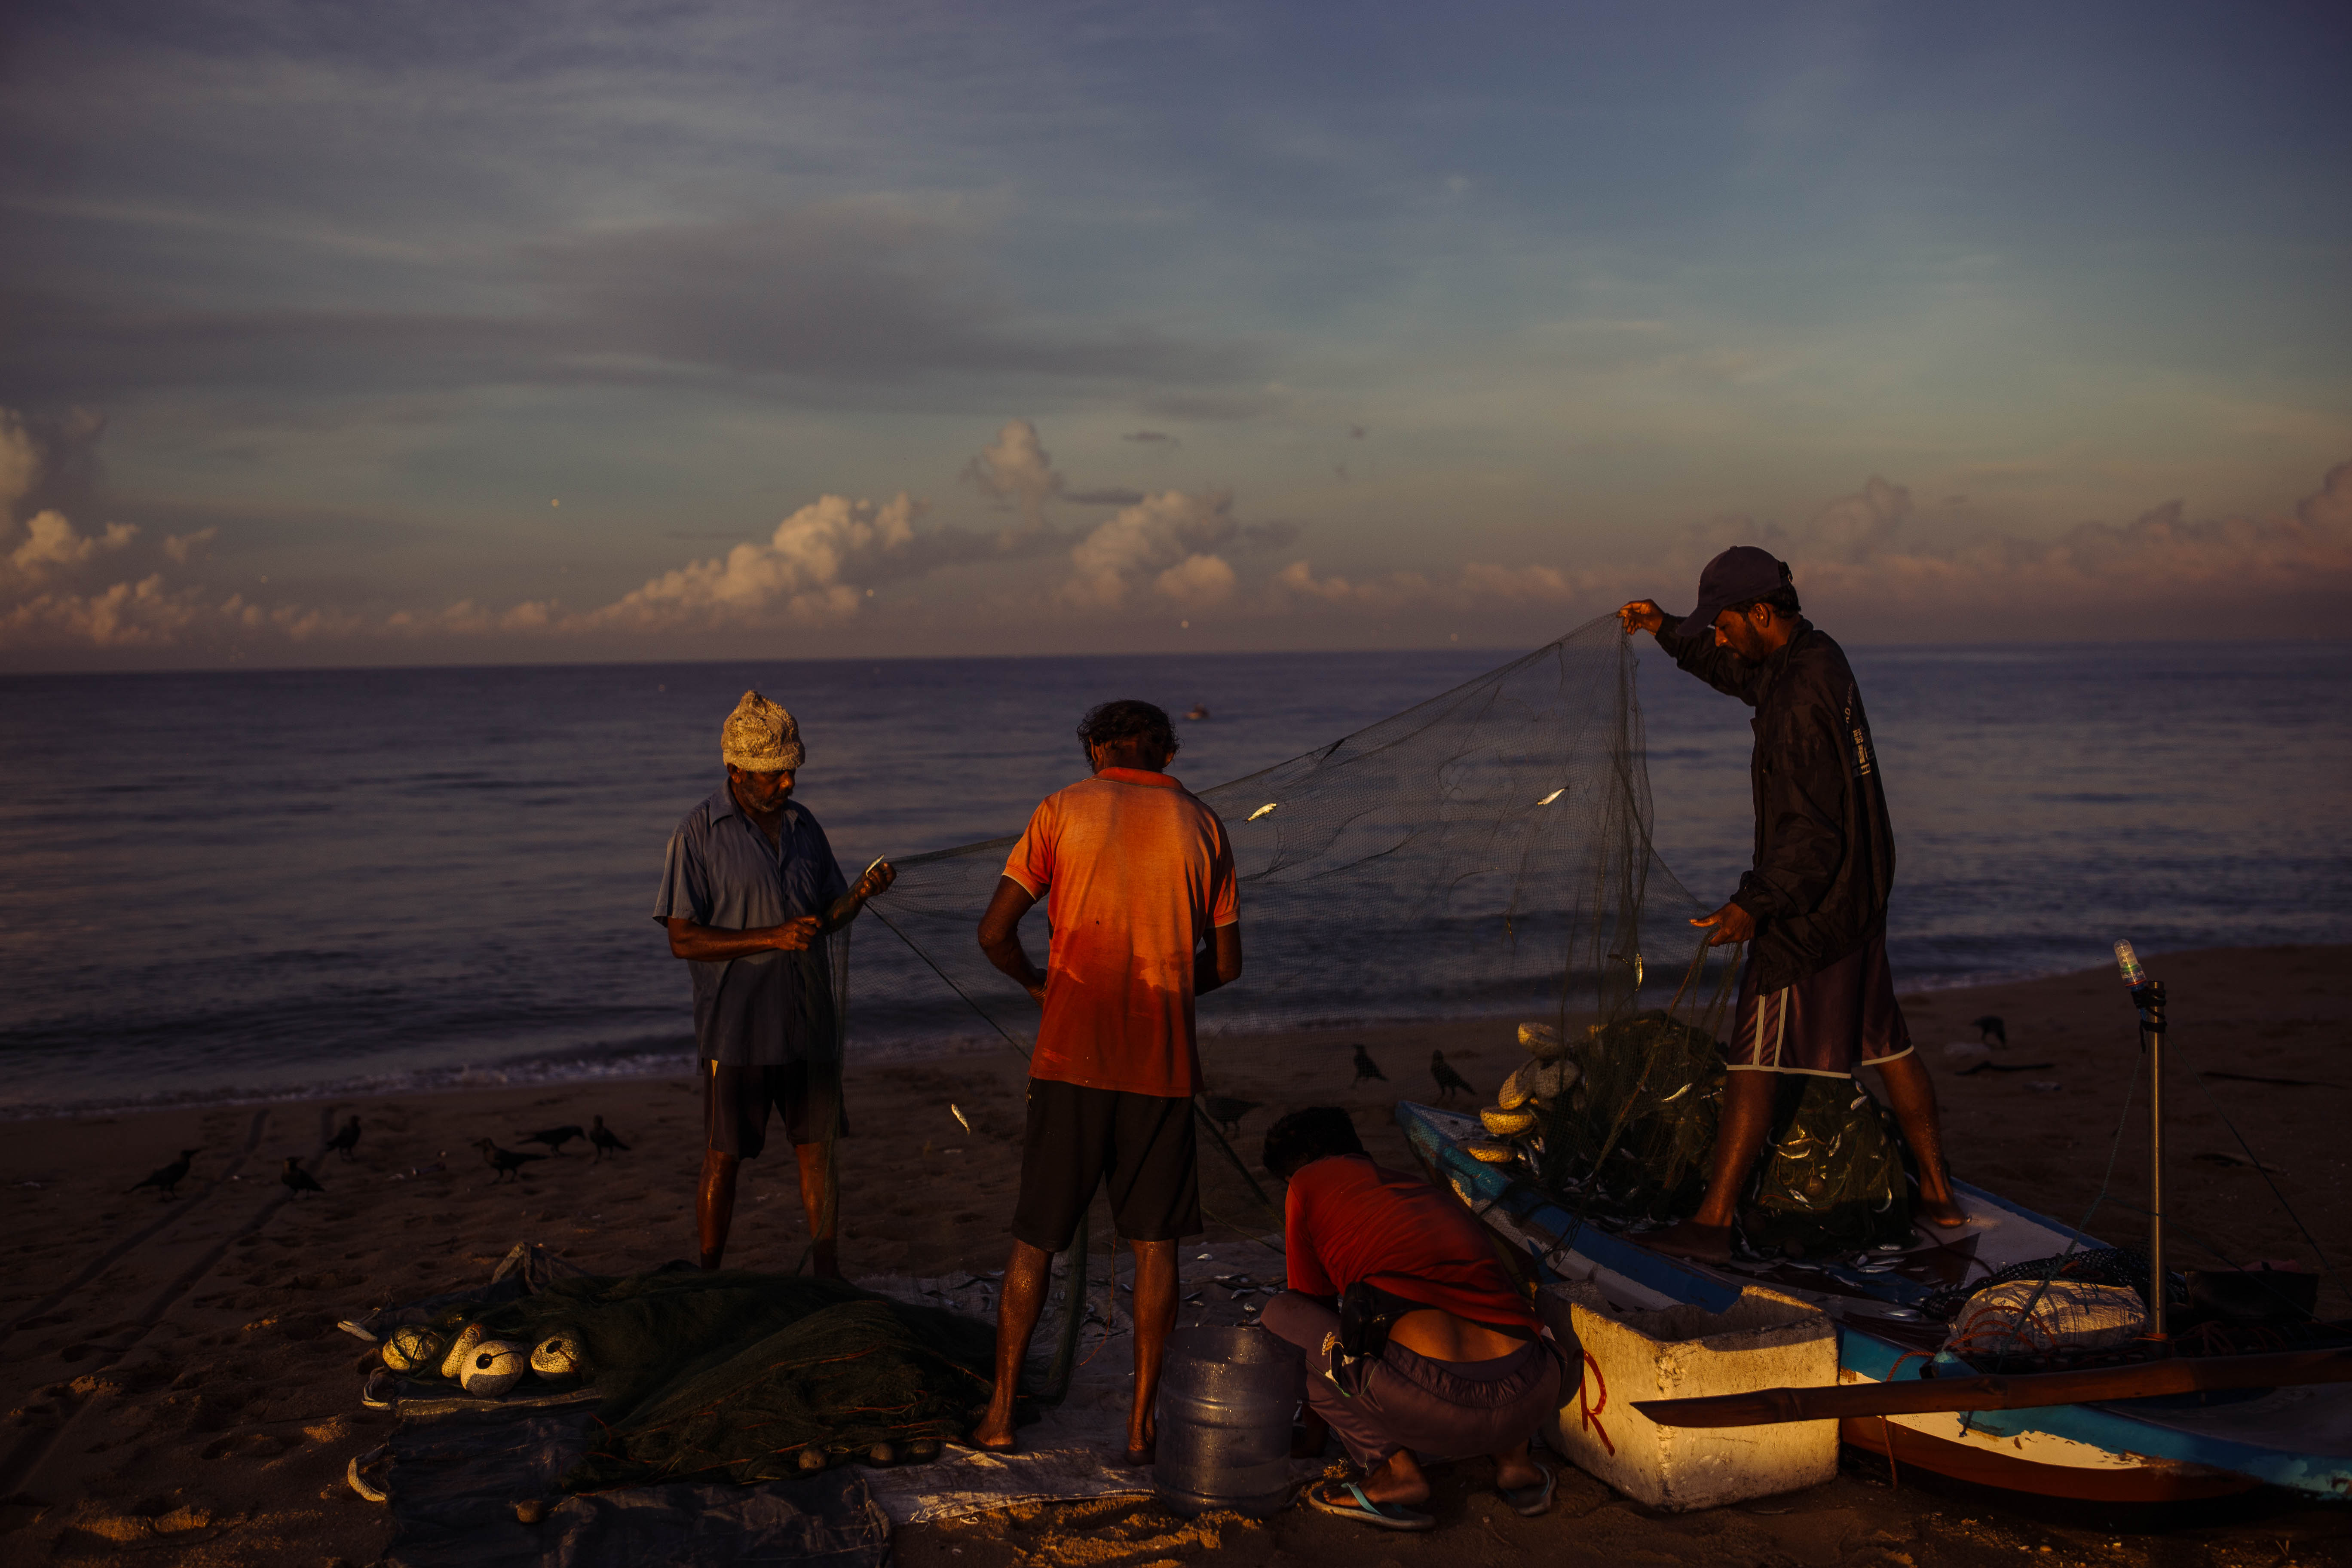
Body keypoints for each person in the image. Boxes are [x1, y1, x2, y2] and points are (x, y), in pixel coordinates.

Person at [1618, 548, 1963, 1260]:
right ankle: (1939, 1194)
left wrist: (1756, 903)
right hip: (1860, 893)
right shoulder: (1812, 655)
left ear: (1762, 614)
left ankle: (1712, 1223)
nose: (1718, 635)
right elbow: (1736, 669)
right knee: (1885, 1042)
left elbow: (1810, 826)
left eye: (1724, 623)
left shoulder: (1799, 699)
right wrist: (1667, 629)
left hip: (1811, 912)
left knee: (1754, 1055)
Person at [967, 699, 1243, 1465]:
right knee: (1157, 1247)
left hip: (1070, 1060)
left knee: (1035, 1240)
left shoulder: (1061, 810)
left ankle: (998, 1411)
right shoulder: (1207, 825)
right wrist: (1159, 991)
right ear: (1167, 754)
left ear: (1096, 750)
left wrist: (1038, 982)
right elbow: (1225, 965)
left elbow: (994, 932)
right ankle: (1140, 1427)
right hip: (1160, 1067)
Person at [654, 690, 894, 1277]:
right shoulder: (698, 834)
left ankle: (828, 1275)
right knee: (724, 1159)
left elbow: (825, 920)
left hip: (810, 1026)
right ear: (736, 772)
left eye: (791, 772)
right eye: (774, 775)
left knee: (818, 1155)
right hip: (737, 1033)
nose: (787, 784)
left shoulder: (805, 826)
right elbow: (683, 939)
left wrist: (861, 894)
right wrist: (771, 937)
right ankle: (710, 1274)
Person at [1257, 1108, 1560, 1531]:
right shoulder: (1420, 1190)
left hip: (1436, 1403)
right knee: (1478, 1303)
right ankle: (1516, 1463)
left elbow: (1311, 1308)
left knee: (1279, 1316)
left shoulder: (1307, 1183)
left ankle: (1394, 1471)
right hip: (1534, 1391)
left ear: (1298, 1170)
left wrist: (1314, 1438)